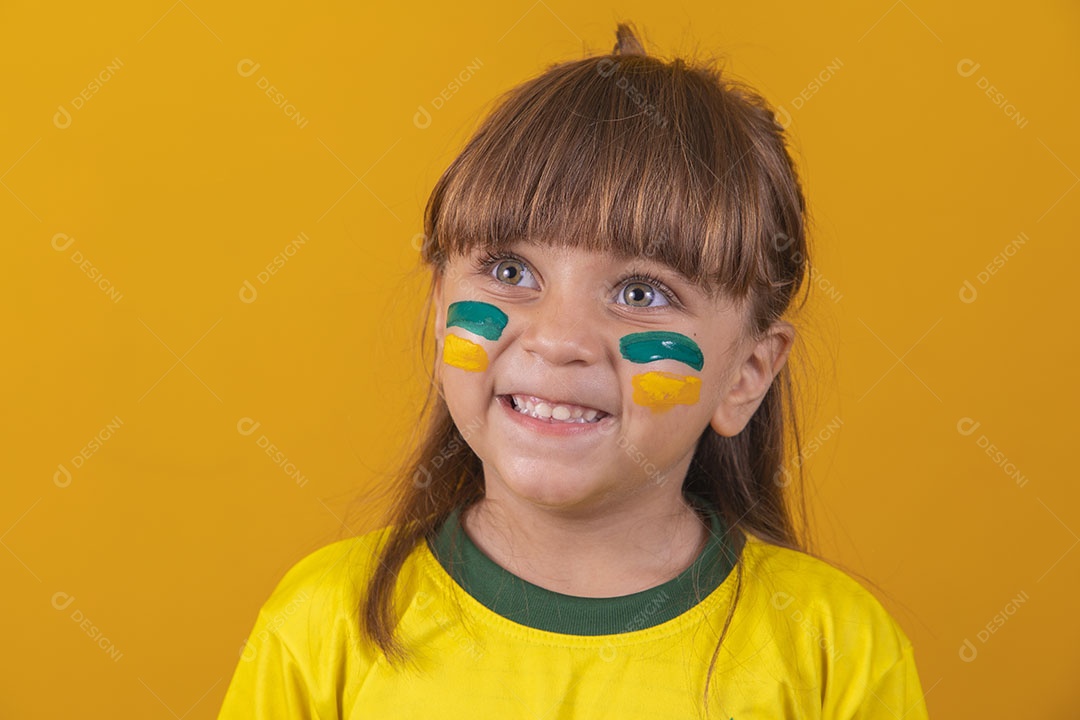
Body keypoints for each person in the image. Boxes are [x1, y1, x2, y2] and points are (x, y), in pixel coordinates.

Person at [217, 21, 930, 719]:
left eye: (641, 293)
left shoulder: (836, 652)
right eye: (509, 269)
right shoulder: (321, 626)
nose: (559, 340)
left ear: (746, 373)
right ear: (440, 314)